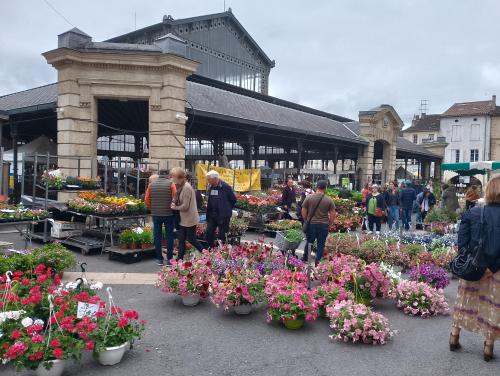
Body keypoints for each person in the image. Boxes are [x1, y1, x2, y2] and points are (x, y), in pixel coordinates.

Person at [450, 175, 500, 362]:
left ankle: (454, 336)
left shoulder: (473, 212)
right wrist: (492, 267)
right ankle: (488, 346)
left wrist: (470, 260)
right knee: (492, 305)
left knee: (465, 300)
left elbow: (461, 242)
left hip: (473, 266)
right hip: (496, 270)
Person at [170, 167, 205, 259]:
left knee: (191, 239)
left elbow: (185, 206)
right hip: (184, 218)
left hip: (189, 218)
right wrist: (174, 202)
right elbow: (177, 198)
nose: (172, 178)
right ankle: (179, 259)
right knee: (181, 239)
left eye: (173, 176)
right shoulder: (182, 186)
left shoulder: (186, 188)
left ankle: (206, 254)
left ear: (179, 177)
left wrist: (175, 207)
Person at [144, 169, 177, 266]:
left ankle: (159, 259)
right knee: (169, 236)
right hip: (168, 214)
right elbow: (175, 197)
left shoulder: (151, 185)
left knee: (157, 236)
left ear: (159, 175)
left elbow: (146, 199)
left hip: (156, 214)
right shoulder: (171, 184)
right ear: (168, 175)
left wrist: (152, 208)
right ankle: (170, 259)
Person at [301, 180, 336, 264]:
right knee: (321, 244)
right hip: (323, 225)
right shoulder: (329, 199)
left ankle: (306, 258)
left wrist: (306, 219)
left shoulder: (309, 197)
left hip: (311, 224)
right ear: (325, 188)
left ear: (317, 187)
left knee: (309, 242)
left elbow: (303, 210)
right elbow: (333, 214)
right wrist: (330, 224)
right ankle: (318, 261)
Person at [205, 170, 237, 248]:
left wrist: (227, 208)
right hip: (213, 215)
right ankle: (211, 249)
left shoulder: (226, 187)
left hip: (223, 215)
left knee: (221, 236)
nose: (208, 181)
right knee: (209, 232)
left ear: (215, 179)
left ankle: (220, 252)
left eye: (209, 179)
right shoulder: (211, 187)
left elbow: (233, 199)